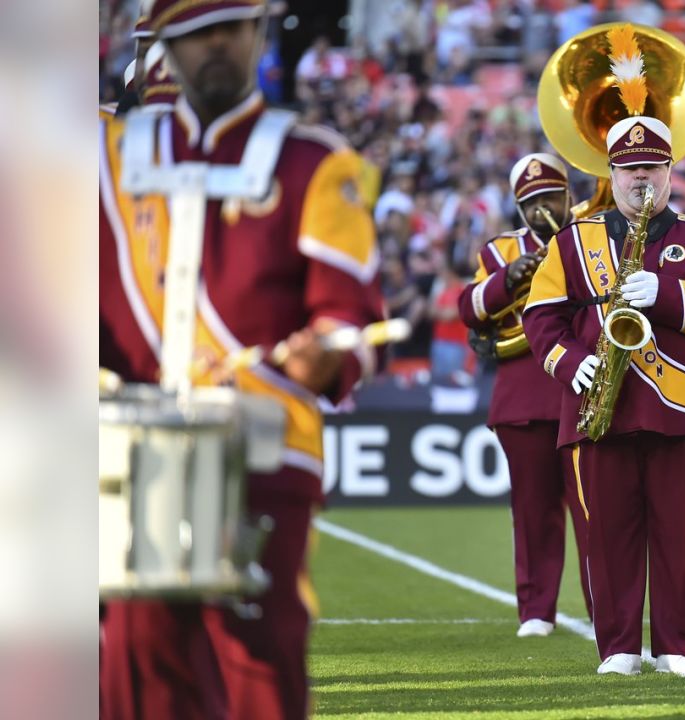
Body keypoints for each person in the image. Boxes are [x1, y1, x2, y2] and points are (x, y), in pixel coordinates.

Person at [99, 1, 383, 717]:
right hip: (134, 445)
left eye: (231, 27)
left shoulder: (315, 162)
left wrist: (328, 351)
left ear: (259, 32)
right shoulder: (108, 159)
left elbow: (351, 315)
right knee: (140, 663)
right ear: (163, 47)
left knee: (260, 656)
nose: (216, 46)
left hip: (267, 438)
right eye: (196, 34)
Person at [522, 116, 685, 676]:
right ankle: (618, 648)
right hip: (601, 406)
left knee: (679, 532)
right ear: (611, 173)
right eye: (628, 168)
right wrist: (570, 362)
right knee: (608, 534)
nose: (639, 177)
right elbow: (541, 318)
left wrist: (666, 294)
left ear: (670, 171)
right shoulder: (573, 241)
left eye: (651, 167)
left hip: (684, 409)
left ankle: (678, 648)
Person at [457, 153, 593, 636]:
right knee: (533, 511)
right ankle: (537, 611)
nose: (542, 211)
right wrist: (510, 278)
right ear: (519, 208)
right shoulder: (500, 251)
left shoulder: (589, 238)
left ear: (569, 196)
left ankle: (607, 613)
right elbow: (469, 309)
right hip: (524, 395)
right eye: (531, 203)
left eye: (550, 198)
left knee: (595, 509)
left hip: (585, 387)